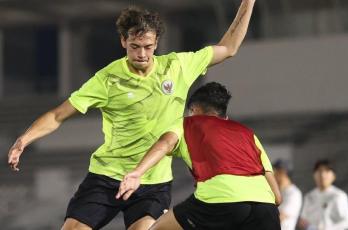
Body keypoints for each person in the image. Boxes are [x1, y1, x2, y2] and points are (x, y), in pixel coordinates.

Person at [7, 1, 257, 230]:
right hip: (107, 176)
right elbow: (59, 115)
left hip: (153, 182)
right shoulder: (108, 79)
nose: (142, 54)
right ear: (123, 42)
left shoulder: (178, 66)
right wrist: (24, 139)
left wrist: (248, 1)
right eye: (135, 47)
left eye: (148, 47)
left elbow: (229, 47)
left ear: (157, 42)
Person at [117, 82, 282, 230]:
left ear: (193, 110)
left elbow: (165, 144)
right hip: (265, 207)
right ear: (224, 116)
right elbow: (277, 197)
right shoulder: (247, 133)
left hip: (220, 198)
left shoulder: (187, 123)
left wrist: (137, 172)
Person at [298, 159, 348, 230]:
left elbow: (347, 221)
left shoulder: (339, 196)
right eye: (319, 171)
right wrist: (309, 227)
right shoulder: (309, 196)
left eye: (327, 171)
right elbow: (303, 219)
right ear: (314, 175)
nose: (322, 175)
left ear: (333, 176)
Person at [273, 159, 302, 230]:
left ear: (283, 172)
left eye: (275, 171)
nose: (273, 174)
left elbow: (280, 217)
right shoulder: (275, 191)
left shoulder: (294, 193)